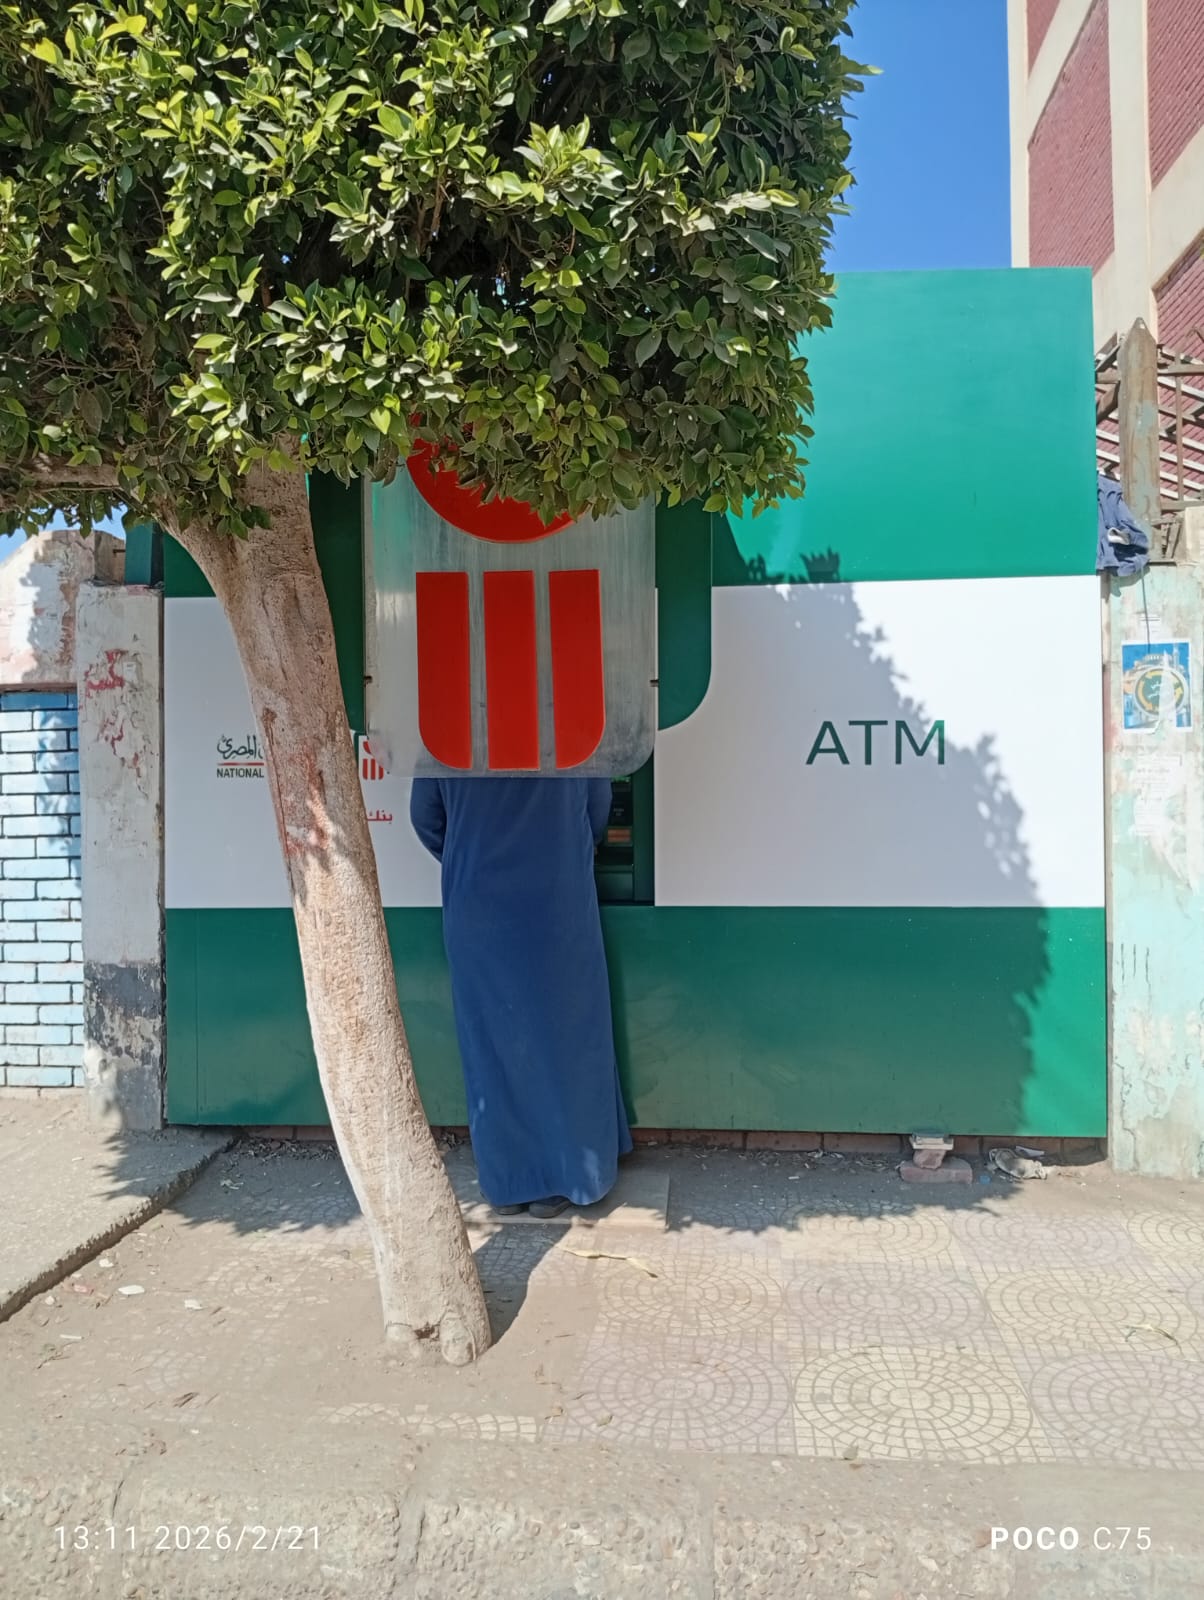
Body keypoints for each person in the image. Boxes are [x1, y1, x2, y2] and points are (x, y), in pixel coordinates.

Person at [410, 775, 632, 1218]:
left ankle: (509, 1182)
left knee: (491, 1046)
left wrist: (472, 854)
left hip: (478, 900)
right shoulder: (571, 732)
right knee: (568, 1036)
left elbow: (426, 818)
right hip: (558, 898)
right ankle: (569, 1177)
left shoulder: (445, 737)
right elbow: (597, 808)